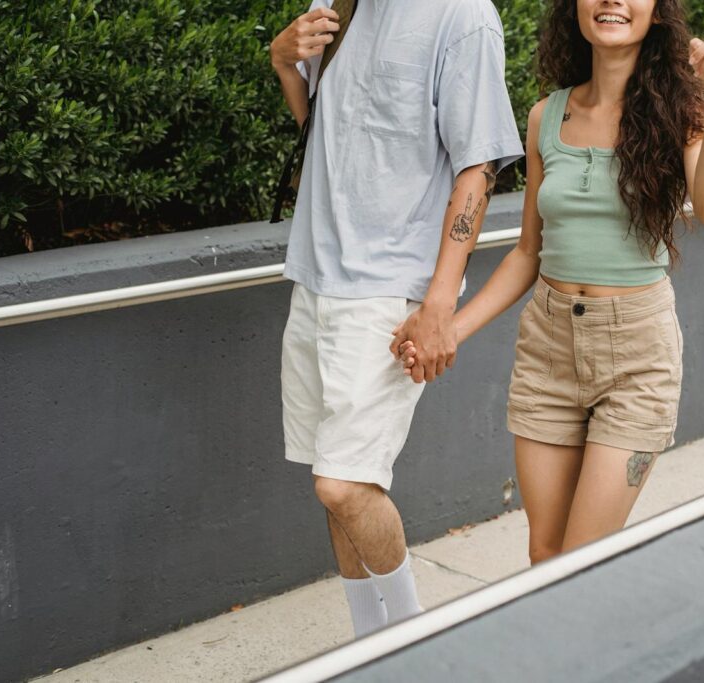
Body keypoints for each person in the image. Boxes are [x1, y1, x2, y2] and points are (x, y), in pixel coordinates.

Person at [396, 0, 704, 564]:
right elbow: (528, 252)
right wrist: (450, 329)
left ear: (657, 13)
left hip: (637, 356)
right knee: (546, 555)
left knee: (582, 560)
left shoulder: (682, 113)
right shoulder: (546, 116)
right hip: (548, 350)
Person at [270, 0, 523, 637]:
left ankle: (414, 639)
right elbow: (329, 135)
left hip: (387, 292)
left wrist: (440, 301)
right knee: (333, 472)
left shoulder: (463, 15)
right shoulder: (335, 5)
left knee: (343, 485)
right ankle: (368, 644)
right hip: (316, 276)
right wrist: (284, 63)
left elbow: (478, 167)